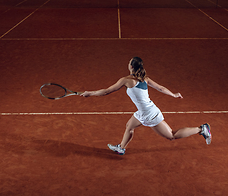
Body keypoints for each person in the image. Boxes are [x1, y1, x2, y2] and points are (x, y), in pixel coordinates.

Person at [81, 57, 211, 155]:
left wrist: (90, 93)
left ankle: (201, 129)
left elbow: (106, 91)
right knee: (129, 126)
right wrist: (173, 94)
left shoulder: (126, 80)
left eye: (129, 62)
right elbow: (160, 88)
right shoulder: (144, 78)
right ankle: (121, 147)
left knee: (171, 136)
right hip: (143, 112)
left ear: (131, 66)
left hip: (149, 114)